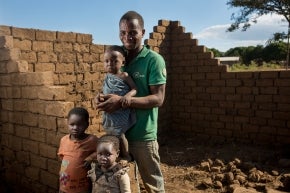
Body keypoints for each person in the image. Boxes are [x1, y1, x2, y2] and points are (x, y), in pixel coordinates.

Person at [95, 11, 167, 193]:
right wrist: (101, 97)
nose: (128, 36)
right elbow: (110, 87)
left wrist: (122, 102)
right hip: (118, 135)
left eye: (133, 32)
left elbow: (158, 99)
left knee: (152, 185)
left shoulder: (153, 60)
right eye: (123, 32)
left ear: (142, 32)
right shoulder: (117, 57)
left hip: (143, 135)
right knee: (122, 184)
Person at [101, 45, 137, 163]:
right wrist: (99, 97)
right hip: (110, 112)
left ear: (122, 62)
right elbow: (104, 91)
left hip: (121, 110)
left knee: (120, 134)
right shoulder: (107, 77)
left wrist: (127, 96)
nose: (110, 64)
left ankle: (126, 155)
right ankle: (116, 154)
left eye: (114, 61)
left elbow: (134, 89)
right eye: (106, 61)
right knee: (111, 135)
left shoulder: (124, 76)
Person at [58, 107, 98, 193]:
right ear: (67, 123)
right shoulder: (64, 140)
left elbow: (101, 151)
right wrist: (62, 179)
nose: (75, 128)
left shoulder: (91, 140)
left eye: (79, 125)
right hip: (64, 183)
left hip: (82, 185)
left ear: (87, 124)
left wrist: (91, 157)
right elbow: (63, 160)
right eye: (72, 124)